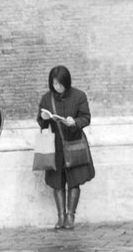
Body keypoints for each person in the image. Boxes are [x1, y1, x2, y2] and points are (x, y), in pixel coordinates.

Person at [37, 65, 95, 230]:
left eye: (60, 84)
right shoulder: (47, 98)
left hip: (74, 144)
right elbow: (41, 122)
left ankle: (70, 216)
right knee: (57, 182)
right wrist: (43, 118)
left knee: (74, 180)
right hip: (55, 146)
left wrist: (74, 122)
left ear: (66, 82)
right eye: (54, 84)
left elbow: (86, 118)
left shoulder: (79, 96)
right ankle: (61, 216)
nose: (57, 87)